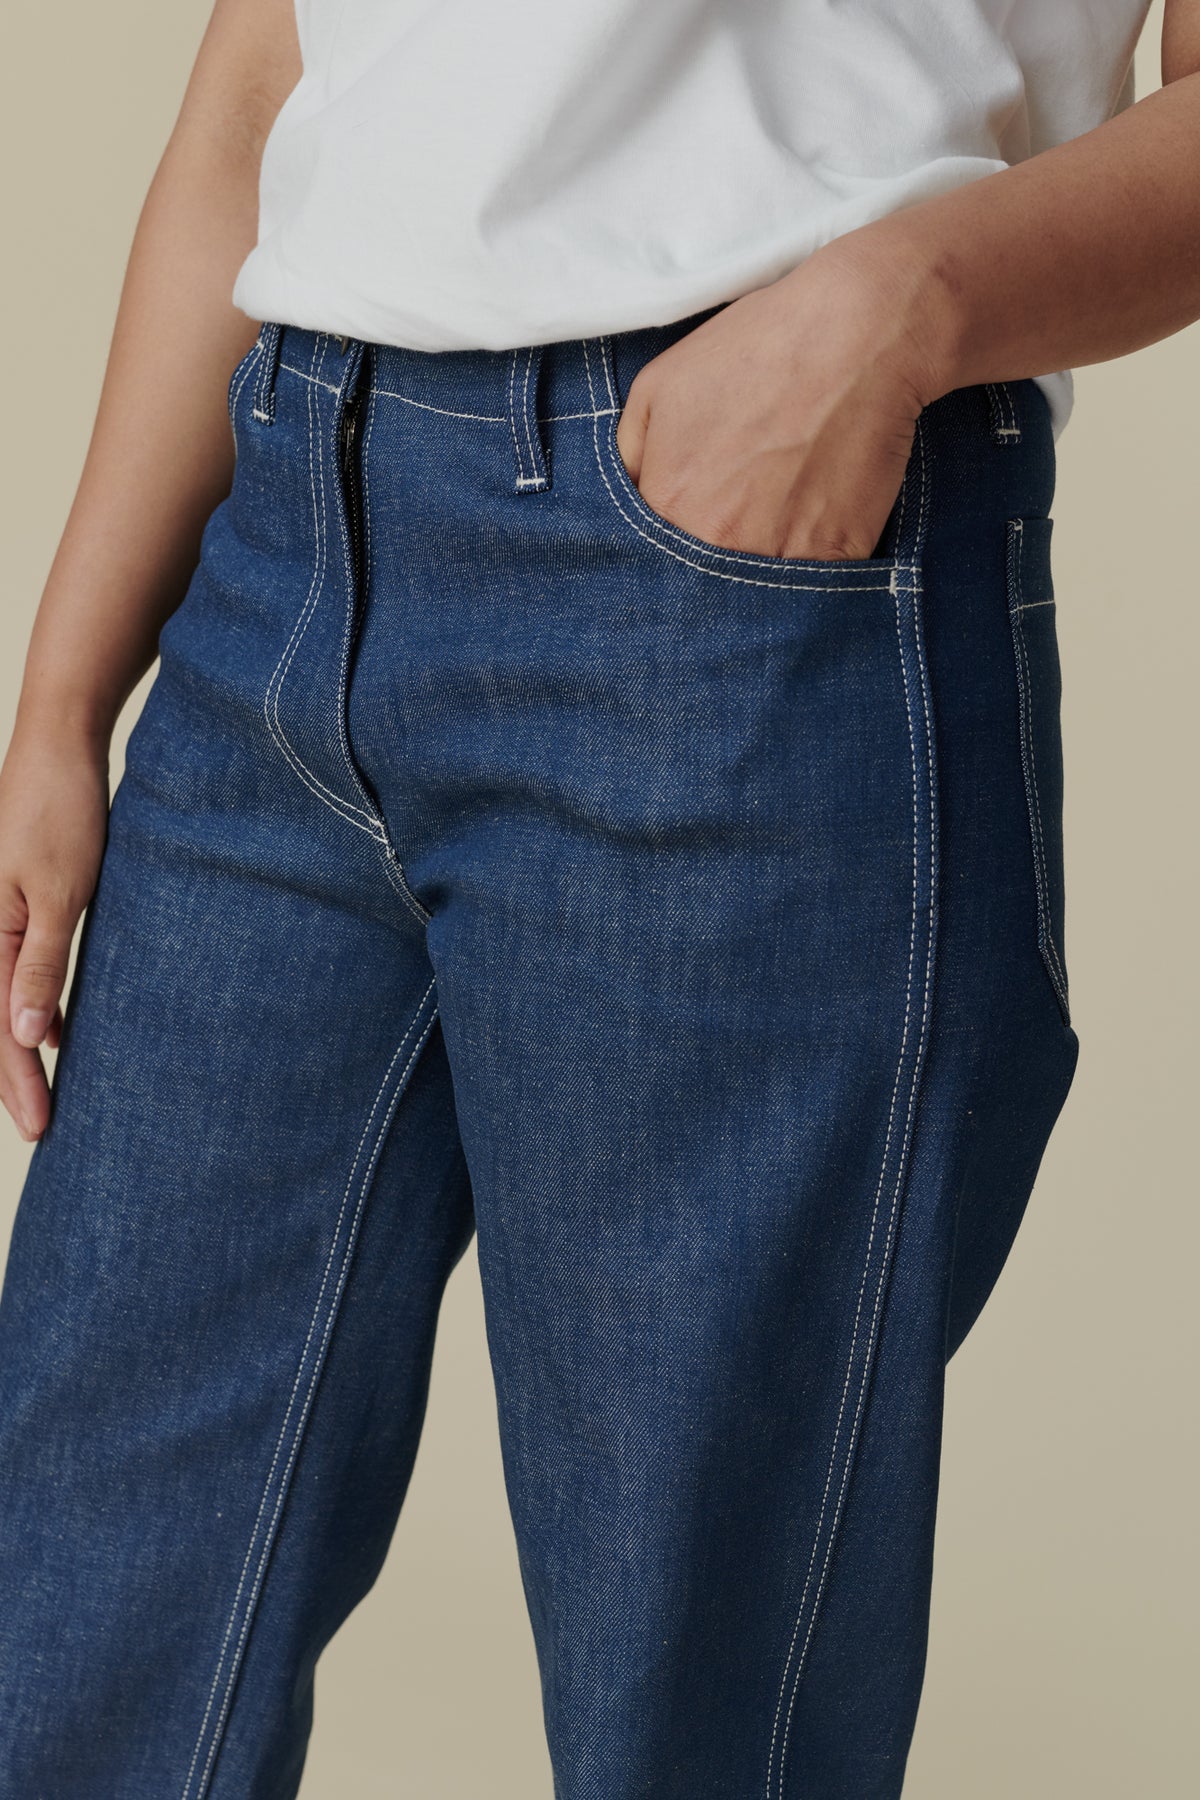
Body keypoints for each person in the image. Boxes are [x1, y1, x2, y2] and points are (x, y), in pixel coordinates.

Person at [0, 0, 1192, 1794]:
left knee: (696, 1701)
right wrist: (64, 704)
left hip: (732, 587)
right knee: (80, 1622)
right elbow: (268, 69)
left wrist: (898, 309)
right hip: (284, 550)